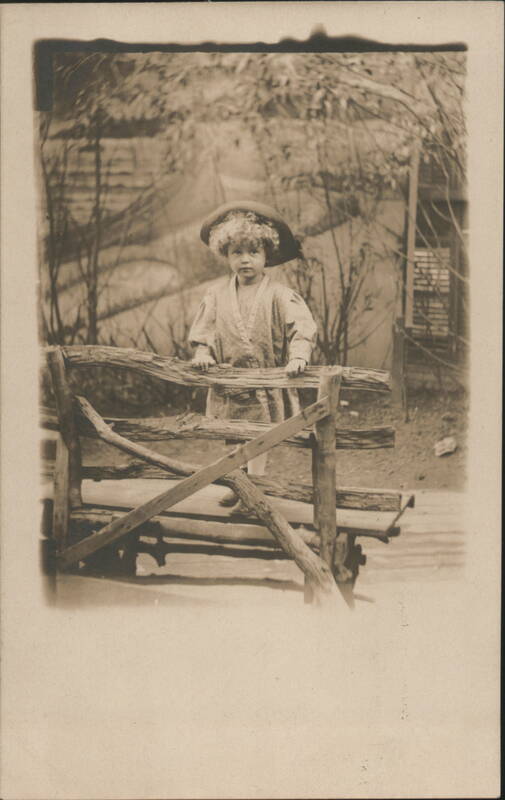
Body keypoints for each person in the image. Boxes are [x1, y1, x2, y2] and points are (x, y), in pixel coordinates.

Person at [188, 200, 317, 510]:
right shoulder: (216, 295)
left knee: (259, 439)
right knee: (232, 437)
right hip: (229, 383)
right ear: (226, 255)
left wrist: (299, 355)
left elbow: (301, 327)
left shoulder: (280, 295)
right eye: (237, 253)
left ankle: (254, 489)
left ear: (266, 255)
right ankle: (236, 484)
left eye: (253, 252)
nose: (245, 260)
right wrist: (203, 351)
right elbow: (203, 330)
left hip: (264, 381)